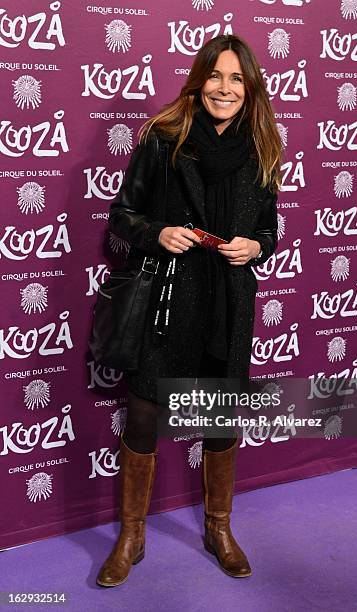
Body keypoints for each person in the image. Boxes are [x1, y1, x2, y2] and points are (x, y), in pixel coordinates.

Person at [96, 33, 282, 587]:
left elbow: (269, 227)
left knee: (222, 414)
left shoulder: (264, 145)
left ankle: (218, 528)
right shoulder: (163, 138)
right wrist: (159, 232)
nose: (224, 89)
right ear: (200, 79)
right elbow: (122, 216)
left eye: (236, 79)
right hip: (168, 297)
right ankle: (132, 535)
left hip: (228, 301)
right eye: (216, 76)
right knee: (146, 412)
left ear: (249, 89)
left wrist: (257, 246)